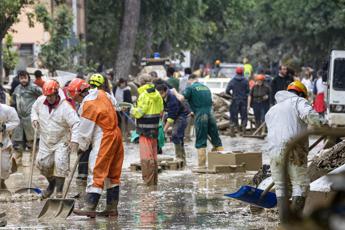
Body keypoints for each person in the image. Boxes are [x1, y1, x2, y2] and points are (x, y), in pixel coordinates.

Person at [265, 81, 321, 221]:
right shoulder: (298, 101)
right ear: (301, 93)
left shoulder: (272, 110)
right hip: (294, 149)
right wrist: (320, 124)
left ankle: (283, 220)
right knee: (300, 184)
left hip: (273, 152)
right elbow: (310, 115)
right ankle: (294, 222)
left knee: (281, 186)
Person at [68, 78, 124, 217]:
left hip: (104, 137)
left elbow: (84, 131)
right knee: (113, 173)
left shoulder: (87, 105)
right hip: (116, 135)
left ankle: (90, 206)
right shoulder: (103, 93)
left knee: (96, 170)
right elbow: (116, 106)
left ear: (80, 93)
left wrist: (81, 146)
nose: (77, 102)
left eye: (76, 99)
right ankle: (112, 207)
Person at [31, 80, 79, 198]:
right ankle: (51, 184)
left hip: (61, 140)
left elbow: (76, 123)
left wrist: (74, 140)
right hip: (45, 139)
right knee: (42, 164)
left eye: (51, 96)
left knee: (60, 164)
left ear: (57, 93)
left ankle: (59, 191)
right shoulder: (40, 101)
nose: (50, 98)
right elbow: (33, 110)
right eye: (48, 96)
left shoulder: (65, 107)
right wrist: (35, 119)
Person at [173, 74, 223, 168]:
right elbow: (209, 102)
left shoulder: (190, 88)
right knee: (216, 139)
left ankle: (202, 166)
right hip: (211, 115)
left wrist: (174, 92)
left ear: (189, 80)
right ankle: (222, 162)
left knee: (201, 140)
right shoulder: (206, 88)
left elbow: (181, 98)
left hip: (201, 116)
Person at [131, 74, 163, 186]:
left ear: (141, 82)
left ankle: (148, 185)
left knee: (146, 158)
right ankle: (154, 183)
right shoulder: (157, 94)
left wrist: (131, 109)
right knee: (153, 157)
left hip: (144, 131)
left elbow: (139, 113)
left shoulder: (143, 95)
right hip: (154, 129)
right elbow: (161, 110)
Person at [11, 70, 42, 164]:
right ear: (19, 79)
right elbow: (13, 101)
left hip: (31, 118)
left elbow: (43, 97)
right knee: (18, 142)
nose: (23, 80)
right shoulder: (17, 88)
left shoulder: (34, 87)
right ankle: (17, 162)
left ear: (28, 78)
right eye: (21, 78)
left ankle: (34, 161)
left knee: (33, 142)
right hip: (19, 119)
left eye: (25, 78)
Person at [156, 84, 188, 165]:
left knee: (175, 134)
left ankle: (180, 157)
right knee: (178, 136)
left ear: (166, 91)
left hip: (181, 115)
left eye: (162, 93)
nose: (160, 95)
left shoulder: (172, 99)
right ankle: (182, 159)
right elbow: (161, 109)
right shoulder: (160, 97)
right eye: (158, 93)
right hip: (172, 114)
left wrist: (164, 130)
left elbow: (171, 118)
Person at [0, 103, 20, 190]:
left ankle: (1, 181)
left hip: (3, 142)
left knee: (4, 167)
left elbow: (16, 121)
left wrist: (4, 126)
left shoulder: (7, 109)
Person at [226, 67, 250, 136]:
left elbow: (227, 91)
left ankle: (232, 132)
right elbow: (248, 91)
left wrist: (231, 96)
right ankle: (243, 132)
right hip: (243, 101)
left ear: (236, 72)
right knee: (244, 116)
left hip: (235, 100)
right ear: (242, 72)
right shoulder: (245, 80)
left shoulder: (232, 80)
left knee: (233, 116)